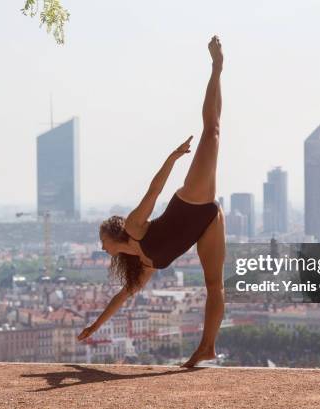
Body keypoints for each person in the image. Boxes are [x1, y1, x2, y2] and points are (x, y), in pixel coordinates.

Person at [78, 35, 225, 368]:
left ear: (115, 235)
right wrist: (95, 326)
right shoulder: (142, 265)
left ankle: (216, 66)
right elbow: (121, 299)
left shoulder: (134, 227)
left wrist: (173, 159)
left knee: (211, 130)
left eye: (103, 242)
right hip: (209, 222)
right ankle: (206, 347)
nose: (102, 249)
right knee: (214, 285)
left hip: (192, 201)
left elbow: (154, 192)